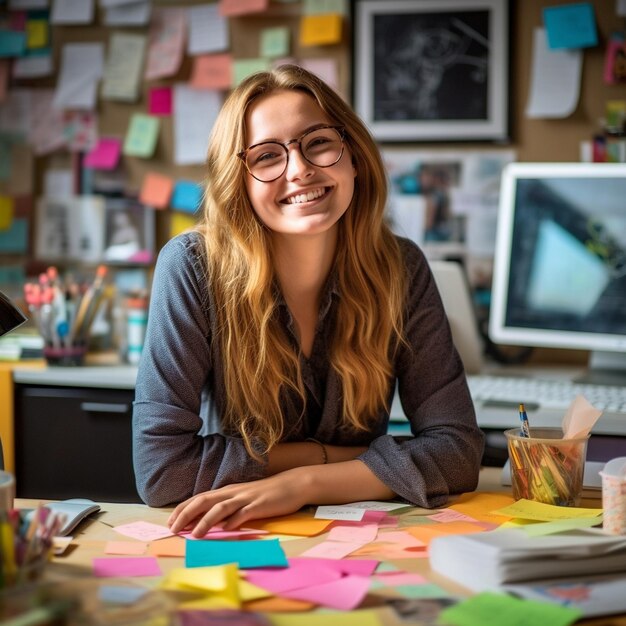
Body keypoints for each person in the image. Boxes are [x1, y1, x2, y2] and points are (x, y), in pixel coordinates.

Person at [132, 64, 484, 537]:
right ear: (240, 181)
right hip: (239, 536)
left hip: (363, 537)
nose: (300, 170)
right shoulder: (192, 266)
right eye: (266, 157)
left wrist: (303, 483)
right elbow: (161, 472)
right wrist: (358, 461)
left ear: (352, 155)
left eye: (318, 142)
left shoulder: (401, 267)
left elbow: (458, 452)